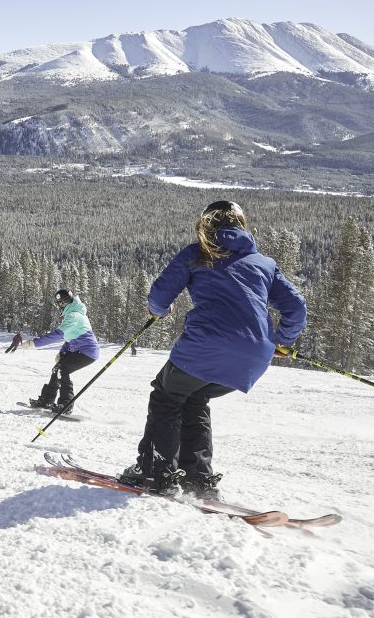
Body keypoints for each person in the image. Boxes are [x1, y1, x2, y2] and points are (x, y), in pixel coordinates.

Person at [119, 201, 306, 498]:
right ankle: (198, 477)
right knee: (195, 398)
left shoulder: (197, 253)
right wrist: (282, 342)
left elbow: (159, 294)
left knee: (167, 395)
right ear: (242, 225)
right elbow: (296, 307)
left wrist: (160, 310)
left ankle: (156, 471)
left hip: (206, 345)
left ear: (206, 225)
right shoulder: (264, 263)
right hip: (253, 357)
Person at [10, 289, 100, 415]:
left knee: (63, 370)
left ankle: (66, 405)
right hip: (78, 349)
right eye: (62, 302)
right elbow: (70, 337)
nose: (64, 304)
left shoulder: (74, 315)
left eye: (66, 301)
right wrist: (62, 352)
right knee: (56, 369)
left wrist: (34, 343)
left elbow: (58, 335)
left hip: (88, 352)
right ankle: (46, 400)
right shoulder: (73, 313)